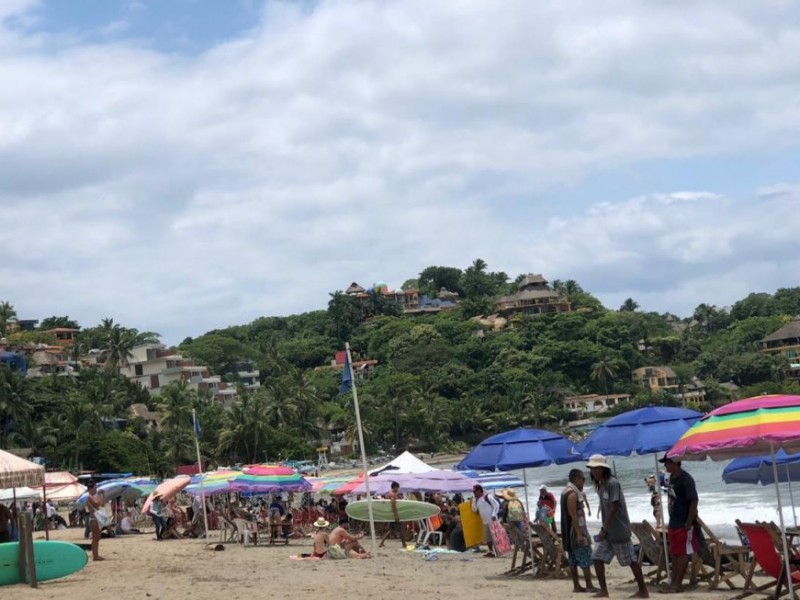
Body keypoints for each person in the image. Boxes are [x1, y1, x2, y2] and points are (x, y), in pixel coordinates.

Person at [586, 454, 649, 598]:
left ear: (603, 469)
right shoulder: (602, 484)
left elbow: (615, 506)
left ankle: (643, 591)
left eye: (596, 469)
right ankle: (604, 591)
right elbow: (607, 506)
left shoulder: (612, 483)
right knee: (596, 557)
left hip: (619, 530)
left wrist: (604, 529)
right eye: (592, 469)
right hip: (608, 532)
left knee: (631, 561)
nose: (594, 472)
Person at [659, 455, 699, 594]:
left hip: (683, 522)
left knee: (682, 553)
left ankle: (677, 583)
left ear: (675, 463)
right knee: (674, 553)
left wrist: (688, 521)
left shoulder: (686, 479)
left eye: (667, 463)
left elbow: (694, 500)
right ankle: (674, 582)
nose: (666, 466)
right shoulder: (673, 479)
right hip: (673, 522)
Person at [561, 469, 598, 593]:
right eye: (583, 479)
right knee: (585, 556)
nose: (583, 482)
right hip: (575, 531)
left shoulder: (566, 492)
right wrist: (579, 534)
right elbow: (573, 516)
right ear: (577, 479)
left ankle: (577, 585)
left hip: (569, 531)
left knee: (573, 559)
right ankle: (588, 585)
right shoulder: (572, 494)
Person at [471, 484, 500, 557]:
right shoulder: (476, 499)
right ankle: (491, 551)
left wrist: (494, 514)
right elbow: (474, 509)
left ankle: (498, 550)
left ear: (479, 491)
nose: (474, 493)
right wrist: (474, 500)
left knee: (495, 537)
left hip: (492, 520)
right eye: (473, 492)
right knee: (488, 538)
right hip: (485, 521)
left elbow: (496, 505)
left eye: (475, 492)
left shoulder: (487, 497)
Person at [379, 481, 408, 548]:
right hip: (395, 514)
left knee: (390, 530)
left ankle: (381, 543)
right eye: (397, 488)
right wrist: (396, 516)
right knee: (401, 529)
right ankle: (404, 544)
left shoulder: (388, 494)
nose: (398, 489)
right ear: (395, 487)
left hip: (391, 515)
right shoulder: (392, 495)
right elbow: (393, 505)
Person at [85, 481, 106, 561]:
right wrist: (100, 495)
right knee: (95, 537)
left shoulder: (94, 496)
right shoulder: (89, 496)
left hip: (97, 518)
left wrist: (103, 495)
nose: (96, 490)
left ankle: (96, 555)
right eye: (94, 488)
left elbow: (102, 504)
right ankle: (95, 556)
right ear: (90, 488)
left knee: (97, 537)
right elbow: (97, 504)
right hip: (93, 519)